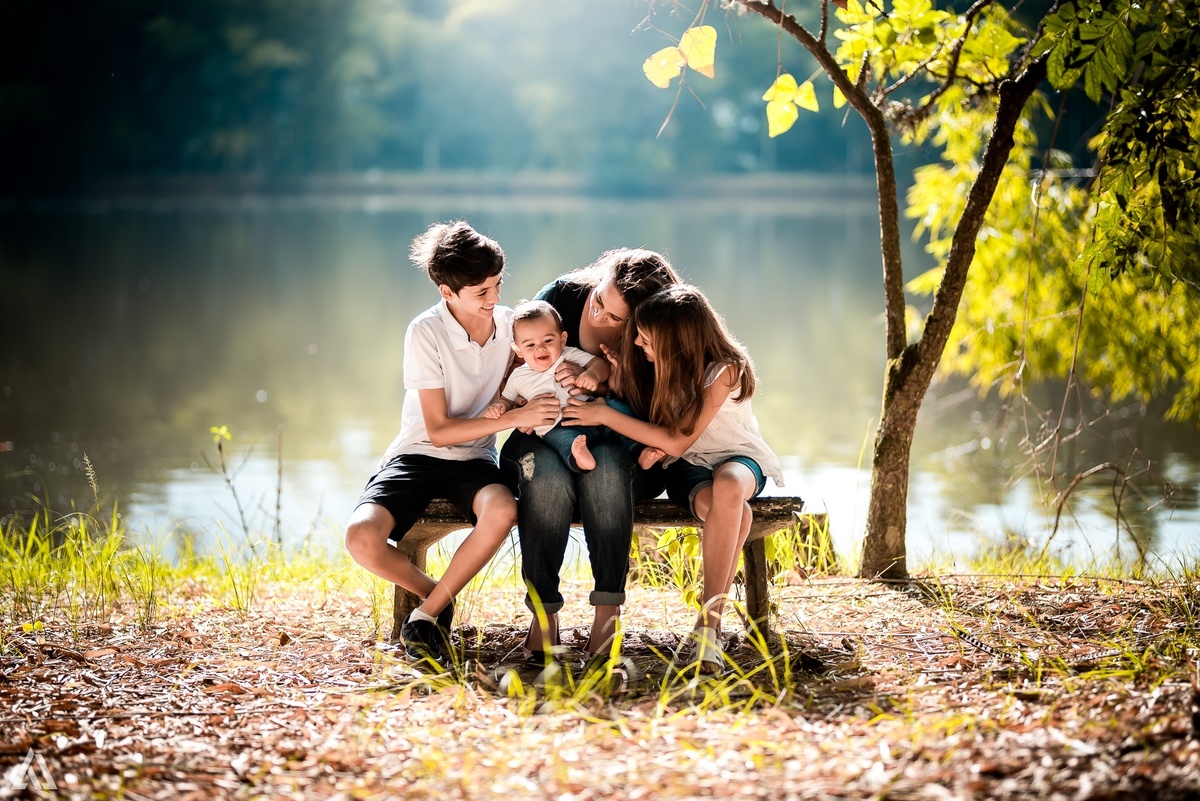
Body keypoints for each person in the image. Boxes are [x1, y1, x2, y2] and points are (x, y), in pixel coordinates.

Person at [343, 221, 560, 664]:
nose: (494, 298)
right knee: (360, 537)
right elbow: (439, 430)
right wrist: (515, 417)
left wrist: (579, 374)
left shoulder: (509, 326)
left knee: (502, 509)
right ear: (448, 292)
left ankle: (425, 614)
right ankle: (437, 599)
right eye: (481, 292)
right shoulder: (424, 331)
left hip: (475, 457)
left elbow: (542, 365)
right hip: (417, 454)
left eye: (498, 285)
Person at [561, 284, 784, 675]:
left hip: (737, 458)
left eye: (646, 339)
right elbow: (669, 439)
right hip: (687, 468)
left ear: (677, 339)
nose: (638, 344)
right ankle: (710, 630)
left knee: (730, 488)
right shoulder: (660, 366)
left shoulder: (725, 369)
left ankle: (708, 626)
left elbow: (678, 439)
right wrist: (617, 381)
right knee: (738, 514)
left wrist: (604, 414)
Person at [500, 248, 682, 672]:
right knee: (546, 477)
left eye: (616, 318)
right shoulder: (562, 298)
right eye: (599, 299)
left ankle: (607, 616)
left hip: (615, 436)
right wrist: (520, 410)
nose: (599, 315)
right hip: (542, 432)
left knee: (606, 471)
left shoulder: (657, 331)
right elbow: (513, 367)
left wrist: (603, 384)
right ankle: (544, 614)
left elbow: (658, 409)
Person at [484, 300, 613, 472]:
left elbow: (599, 364)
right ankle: (578, 459)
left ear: (562, 340)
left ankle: (638, 448)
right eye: (530, 345)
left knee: (620, 412)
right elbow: (507, 400)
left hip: (591, 409)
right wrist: (499, 407)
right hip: (555, 426)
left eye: (547, 340)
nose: (540, 348)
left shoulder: (568, 354)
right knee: (565, 442)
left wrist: (593, 374)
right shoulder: (517, 376)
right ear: (518, 350)